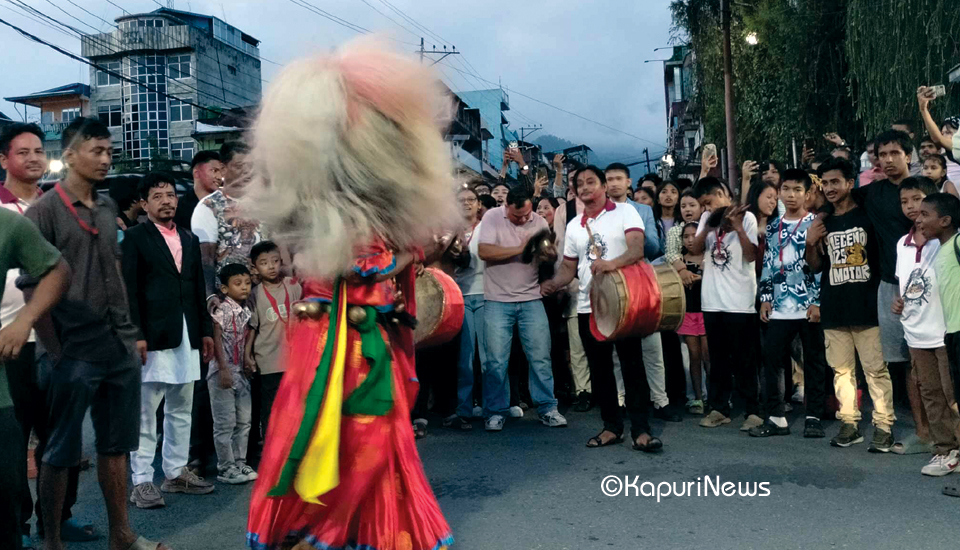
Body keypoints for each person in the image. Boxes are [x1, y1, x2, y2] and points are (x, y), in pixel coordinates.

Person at [242, 40, 453, 549]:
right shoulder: (330, 211)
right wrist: (417, 254)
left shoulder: (312, 203)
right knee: (362, 431)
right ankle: (325, 531)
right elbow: (362, 269)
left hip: (340, 333)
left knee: (351, 431)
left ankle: (354, 530)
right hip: (348, 343)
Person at [26, 117, 170, 550]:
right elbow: (32, 285)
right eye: (97, 151)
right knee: (60, 451)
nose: (106, 159)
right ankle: (52, 541)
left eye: (109, 151)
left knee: (116, 446)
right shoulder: (44, 211)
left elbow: (116, 275)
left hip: (117, 347)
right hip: (71, 349)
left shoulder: (108, 208)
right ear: (70, 155)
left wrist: (131, 336)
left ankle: (121, 534)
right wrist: (55, 350)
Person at [1, 122, 83, 548]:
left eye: (39, 151)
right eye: (22, 152)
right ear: (4, 161)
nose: (33, 158)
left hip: (56, 341)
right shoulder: (0, 213)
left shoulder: (57, 207)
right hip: (10, 343)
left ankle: (58, 518)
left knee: (60, 436)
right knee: (12, 444)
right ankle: (16, 524)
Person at [541, 166, 660, 452]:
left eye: (590, 182)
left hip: (623, 303)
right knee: (601, 369)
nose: (584, 188)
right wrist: (552, 283)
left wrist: (611, 264)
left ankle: (641, 430)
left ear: (603, 185)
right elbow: (570, 267)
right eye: (579, 184)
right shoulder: (573, 226)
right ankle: (612, 428)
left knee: (632, 366)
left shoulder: (625, 212)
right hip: (588, 305)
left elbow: (637, 249)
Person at [122, 172, 216, 508]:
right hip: (153, 335)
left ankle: (176, 472)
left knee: (181, 407)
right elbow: (129, 291)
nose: (167, 201)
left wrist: (205, 331)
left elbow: (195, 289)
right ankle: (142, 480)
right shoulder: (134, 238)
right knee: (147, 411)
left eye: (170, 195)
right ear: (144, 204)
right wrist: (136, 334)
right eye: (157, 196)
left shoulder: (189, 239)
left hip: (187, 332)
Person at [806, 157, 895, 449]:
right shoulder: (823, 222)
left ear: (849, 183)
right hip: (834, 306)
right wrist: (810, 242)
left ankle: (883, 426)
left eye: (835, 182)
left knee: (875, 370)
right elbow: (817, 266)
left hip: (868, 305)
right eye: (825, 183)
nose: (830, 188)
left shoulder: (868, 214)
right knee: (842, 371)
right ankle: (849, 424)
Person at [0, 207, 69, 550]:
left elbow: (56, 269)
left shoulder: (7, 223)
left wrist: (24, 319)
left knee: (5, 504)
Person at [852, 130, 919, 453]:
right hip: (888, 286)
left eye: (895, 153)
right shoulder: (872, 194)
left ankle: (941, 431)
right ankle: (922, 431)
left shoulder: (925, 191)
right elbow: (837, 204)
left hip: (926, 290)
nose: (889, 160)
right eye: (883, 154)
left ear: (909, 154)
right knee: (901, 361)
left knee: (932, 361)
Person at [478, 187, 566, 431]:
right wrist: (522, 248)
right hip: (497, 299)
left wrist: (548, 254)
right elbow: (484, 251)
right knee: (496, 361)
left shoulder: (538, 221)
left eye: (527, 213)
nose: (525, 219)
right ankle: (496, 411)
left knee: (540, 357)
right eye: (518, 216)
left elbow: (548, 255)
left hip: (531, 298)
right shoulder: (492, 217)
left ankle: (548, 408)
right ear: (507, 207)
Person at [750, 169, 828, 439]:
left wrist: (817, 301)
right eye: (786, 189)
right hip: (780, 307)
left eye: (797, 190)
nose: (791, 195)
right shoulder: (773, 227)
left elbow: (821, 267)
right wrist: (765, 299)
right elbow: (769, 265)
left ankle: (814, 416)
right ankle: (775, 417)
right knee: (773, 361)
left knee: (814, 361)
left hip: (808, 305)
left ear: (807, 194)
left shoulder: (816, 224)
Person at [894, 178, 959, 476]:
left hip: (946, 332)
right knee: (931, 393)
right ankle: (945, 450)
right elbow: (907, 283)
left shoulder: (949, 241)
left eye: (923, 209)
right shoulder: (901, 244)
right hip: (917, 333)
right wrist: (900, 302)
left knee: (952, 395)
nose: (916, 214)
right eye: (911, 207)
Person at [605, 163, 679, 421]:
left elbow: (654, 247)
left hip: (642, 281)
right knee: (616, 348)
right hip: (614, 282)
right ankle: (622, 399)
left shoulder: (643, 210)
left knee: (652, 346)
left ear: (629, 182)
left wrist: (633, 230)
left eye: (618, 179)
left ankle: (661, 400)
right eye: (609, 179)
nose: (613, 183)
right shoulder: (600, 214)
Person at [689, 177, 763, 431]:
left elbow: (751, 255)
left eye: (709, 202)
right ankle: (719, 408)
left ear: (722, 193)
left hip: (740, 302)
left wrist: (738, 227)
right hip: (712, 301)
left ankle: (753, 410)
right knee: (717, 358)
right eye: (703, 205)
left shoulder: (748, 218)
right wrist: (709, 225)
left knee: (744, 359)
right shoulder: (706, 219)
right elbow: (696, 250)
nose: (706, 208)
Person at [918, 193, 960, 494]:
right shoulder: (940, 249)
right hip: (952, 333)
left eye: (925, 214)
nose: (918, 219)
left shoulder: (957, 243)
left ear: (945, 221)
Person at [246, 241, 301, 438]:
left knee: (296, 408)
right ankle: (270, 451)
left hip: (296, 360)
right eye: (264, 263)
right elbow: (252, 329)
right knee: (270, 411)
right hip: (268, 361)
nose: (271, 266)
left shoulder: (293, 286)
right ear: (254, 267)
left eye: (275, 261)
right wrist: (247, 355)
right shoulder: (254, 294)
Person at [208, 263, 255, 484]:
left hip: (240, 372)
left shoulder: (246, 310)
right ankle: (225, 467)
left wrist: (246, 359)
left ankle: (240, 462)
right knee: (225, 422)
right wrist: (223, 368)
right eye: (238, 284)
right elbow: (216, 336)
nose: (244, 287)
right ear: (224, 289)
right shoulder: (222, 309)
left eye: (247, 283)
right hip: (222, 371)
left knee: (244, 420)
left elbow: (246, 337)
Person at [454, 186, 486, 426]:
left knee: (488, 358)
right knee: (465, 359)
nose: (466, 203)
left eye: (470, 200)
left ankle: (493, 406)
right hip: (459, 297)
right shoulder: (449, 232)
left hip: (486, 294)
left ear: (478, 204)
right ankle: (464, 408)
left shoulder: (488, 227)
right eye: (461, 200)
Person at [678, 222, 708, 414]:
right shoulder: (680, 261)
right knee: (694, 357)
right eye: (686, 236)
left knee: (709, 356)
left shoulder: (710, 257)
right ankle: (697, 398)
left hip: (706, 311)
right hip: (688, 313)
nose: (690, 240)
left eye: (694, 235)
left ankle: (715, 397)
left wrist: (699, 277)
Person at [173, 150, 223, 230]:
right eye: (214, 171)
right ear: (197, 173)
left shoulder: (225, 206)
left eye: (221, 172)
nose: (219, 177)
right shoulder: (179, 208)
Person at [654, 180, 683, 250]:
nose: (668, 195)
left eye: (673, 192)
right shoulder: (652, 221)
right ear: (658, 199)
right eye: (664, 192)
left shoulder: (683, 222)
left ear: (678, 200)